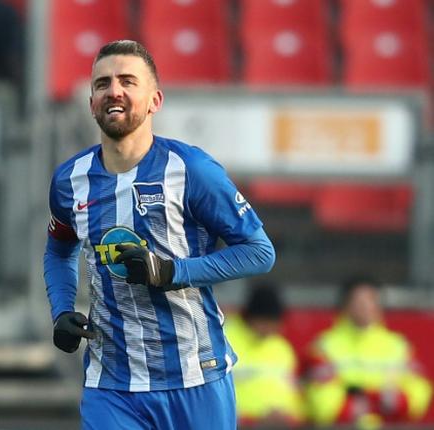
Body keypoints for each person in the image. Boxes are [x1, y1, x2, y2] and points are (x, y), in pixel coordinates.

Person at [43, 40, 276, 430]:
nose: (113, 90)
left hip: (195, 376)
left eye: (127, 81)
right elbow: (58, 250)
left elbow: (258, 251)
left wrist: (171, 271)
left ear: (155, 100)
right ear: (91, 103)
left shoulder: (192, 170)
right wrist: (62, 310)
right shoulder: (70, 180)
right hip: (112, 383)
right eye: (102, 84)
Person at [304, 276, 432, 428]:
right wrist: (382, 402)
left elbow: (419, 394)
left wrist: (359, 399)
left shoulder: (399, 346)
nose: (365, 307)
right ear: (346, 305)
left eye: (370, 300)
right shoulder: (323, 347)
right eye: (358, 302)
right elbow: (325, 407)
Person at [225, 283, 304, 426]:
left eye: (275, 323)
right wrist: (251, 420)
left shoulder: (282, 348)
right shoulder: (224, 340)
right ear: (251, 317)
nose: (271, 328)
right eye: (266, 322)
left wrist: (290, 416)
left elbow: (295, 395)